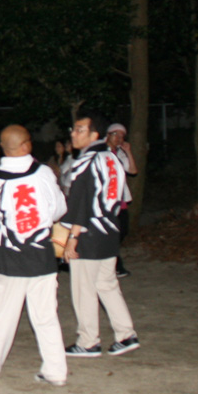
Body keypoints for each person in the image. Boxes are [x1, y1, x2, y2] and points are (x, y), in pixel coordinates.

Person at [0, 125, 68, 386]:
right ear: (27, 145)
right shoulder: (44, 173)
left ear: (4, 149)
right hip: (42, 257)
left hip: (9, 259)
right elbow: (60, 209)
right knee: (46, 317)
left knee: (3, 316)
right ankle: (56, 372)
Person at [63, 110, 140, 358]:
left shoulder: (85, 161)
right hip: (109, 230)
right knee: (107, 285)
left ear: (94, 134)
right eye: (73, 129)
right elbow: (119, 196)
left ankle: (88, 341)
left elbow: (79, 202)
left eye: (79, 129)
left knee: (84, 288)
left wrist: (72, 236)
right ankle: (126, 335)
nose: (74, 133)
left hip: (89, 233)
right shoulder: (112, 158)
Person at [105, 123, 138, 277]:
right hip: (106, 200)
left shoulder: (120, 153)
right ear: (108, 135)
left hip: (120, 198)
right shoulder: (101, 152)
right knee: (111, 234)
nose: (119, 138)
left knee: (122, 230)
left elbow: (132, 170)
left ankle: (111, 262)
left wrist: (128, 151)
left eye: (122, 136)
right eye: (116, 135)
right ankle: (116, 266)